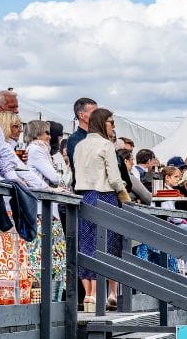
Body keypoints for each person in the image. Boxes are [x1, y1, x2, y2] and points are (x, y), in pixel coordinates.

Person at [73, 108, 130, 311]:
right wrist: (124, 193)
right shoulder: (106, 145)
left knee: (86, 244)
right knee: (107, 245)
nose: (113, 126)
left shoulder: (79, 145)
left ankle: (89, 295)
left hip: (84, 196)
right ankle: (100, 295)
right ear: (103, 123)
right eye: (111, 122)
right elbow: (114, 179)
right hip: (105, 196)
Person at [24, 120, 67, 299]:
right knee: (50, 257)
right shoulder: (37, 150)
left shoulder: (32, 150)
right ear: (37, 134)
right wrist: (56, 181)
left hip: (41, 209)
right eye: (46, 133)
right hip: (44, 210)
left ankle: (47, 298)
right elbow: (54, 177)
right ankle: (49, 299)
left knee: (45, 256)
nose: (50, 137)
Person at [66, 97, 97, 184]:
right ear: (81, 115)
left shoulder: (99, 137)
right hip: (85, 190)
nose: (98, 116)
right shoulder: (75, 140)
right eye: (94, 113)